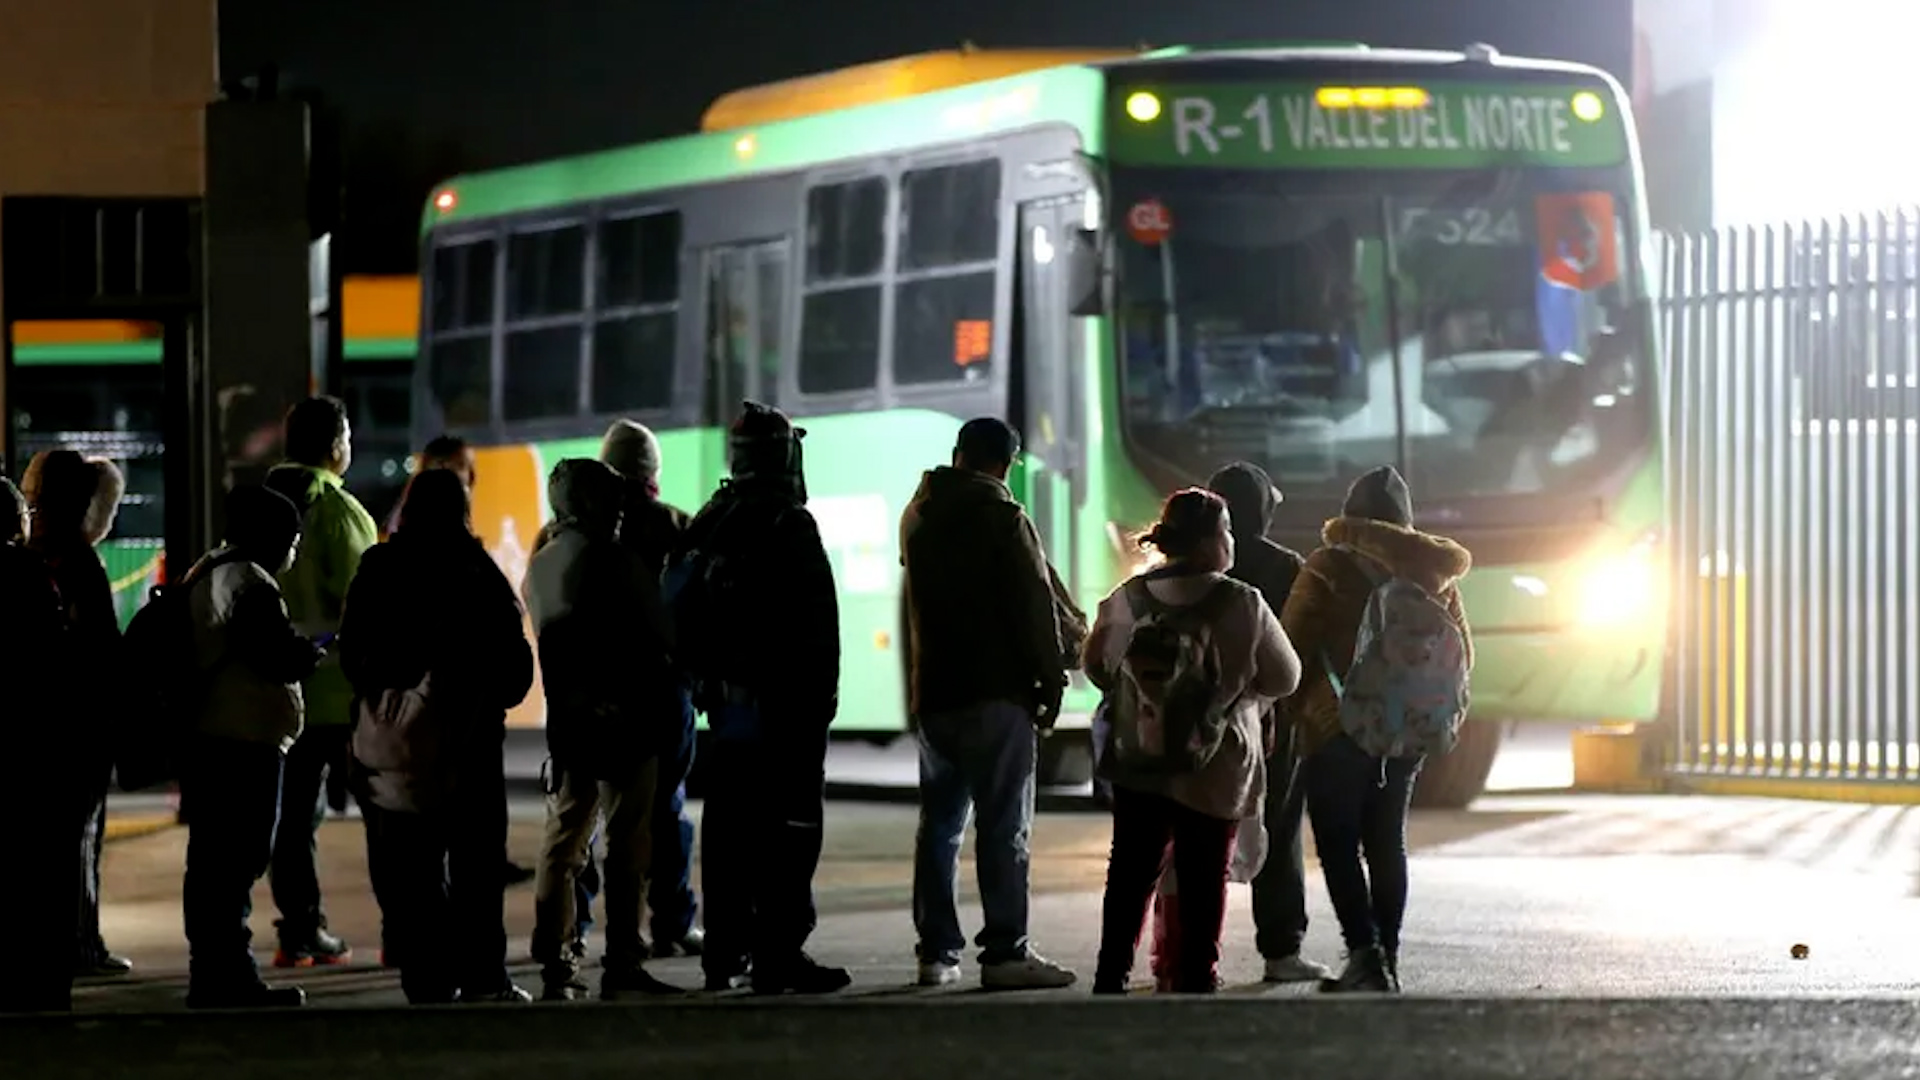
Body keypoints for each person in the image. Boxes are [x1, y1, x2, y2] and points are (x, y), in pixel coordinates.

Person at [1084, 489, 1301, 994]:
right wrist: (1237, 689)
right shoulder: (1241, 602)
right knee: (1205, 875)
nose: (1231, 540)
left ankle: (1111, 973)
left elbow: (1097, 668)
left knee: (1131, 870)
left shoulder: (1128, 598)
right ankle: (1195, 977)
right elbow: (1286, 676)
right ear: (1209, 542)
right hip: (1216, 760)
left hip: (1140, 756)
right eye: (1225, 530)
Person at [339, 469, 534, 1004]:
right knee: (476, 869)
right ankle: (482, 977)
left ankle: (425, 976)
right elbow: (515, 672)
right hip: (470, 747)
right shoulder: (478, 572)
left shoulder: (378, 568)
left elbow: (353, 657)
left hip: (398, 749)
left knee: (409, 870)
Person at [900, 417, 1076, 990]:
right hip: (996, 693)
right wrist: (1051, 685)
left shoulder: (920, 516)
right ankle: (1004, 952)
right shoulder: (1004, 518)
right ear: (1007, 464)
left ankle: (936, 953)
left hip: (936, 695)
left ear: (958, 455)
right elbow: (1034, 605)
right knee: (1004, 828)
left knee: (940, 827)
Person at [678, 401, 847, 995]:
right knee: (790, 829)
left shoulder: (711, 517)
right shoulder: (788, 524)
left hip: (727, 712)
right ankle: (779, 953)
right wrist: (821, 700)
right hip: (786, 712)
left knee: (728, 831)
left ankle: (723, 953)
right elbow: (817, 623)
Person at [1286, 465, 1470, 993]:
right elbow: (1463, 655)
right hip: (1404, 731)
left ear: (1351, 515)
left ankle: (1363, 955)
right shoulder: (1436, 573)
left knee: (1339, 843)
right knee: (1387, 840)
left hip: (1336, 725)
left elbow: (1292, 646)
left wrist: (1294, 711)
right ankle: (1387, 955)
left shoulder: (1328, 564)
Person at [524, 458, 681, 1001]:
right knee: (627, 843)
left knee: (563, 840)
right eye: (610, 498)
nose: (619, 508)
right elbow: (662, 631)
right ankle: (623, 961)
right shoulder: (614, 559)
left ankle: (554, 958)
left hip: (570, 719)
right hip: (627, 717)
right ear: (589, 502)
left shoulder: (539, 563)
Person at [179, 485, 322, 1009]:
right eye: (293, 539)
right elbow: (275, 657)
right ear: (273, 539)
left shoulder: (209, 569)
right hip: (240, 740)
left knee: (213, 860)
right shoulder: (250, 582)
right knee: (235, 860)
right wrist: (306, 653)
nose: (295, 550)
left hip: (213, 737)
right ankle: (227, 976)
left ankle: (212, 971)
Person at [1202, 461, 1331, 984]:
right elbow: (1304, 651)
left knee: (1199, 831)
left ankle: (1191, 950)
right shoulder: (1287, 568)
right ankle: (1281, 949)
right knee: (1276, 831)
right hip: (1274, 725)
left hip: (1202, 721)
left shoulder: (1195, 565)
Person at [264, 396, 379, 967]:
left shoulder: (261, 507)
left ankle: (299, 930)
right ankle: (406, 931)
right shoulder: (338, 511)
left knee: (292, 821)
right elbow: (370, 602)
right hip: (345, 694)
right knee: (388, 816)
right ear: (337, 445)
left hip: (284, 694)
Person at [23, 451, 133, 978]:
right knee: (78, 841)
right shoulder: (80, 559)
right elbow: (102, 652)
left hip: (34, 727)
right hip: (78, 728)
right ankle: (80, 946)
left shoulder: (25, 553)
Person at [0, 475, 86, 1012]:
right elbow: (56, 660)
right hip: (31, 745)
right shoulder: (28, 576)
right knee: (43, 872)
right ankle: (42, 983)